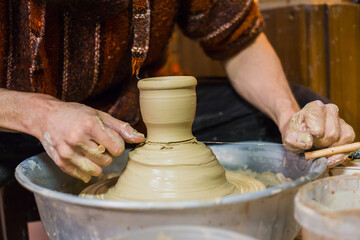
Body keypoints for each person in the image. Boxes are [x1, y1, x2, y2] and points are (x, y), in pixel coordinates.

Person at [0, 0, 355, 184]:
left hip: (133, 118)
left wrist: (290, 118)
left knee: (286, 124)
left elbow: (239, 42)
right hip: (15, 119)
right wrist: (38, 113)